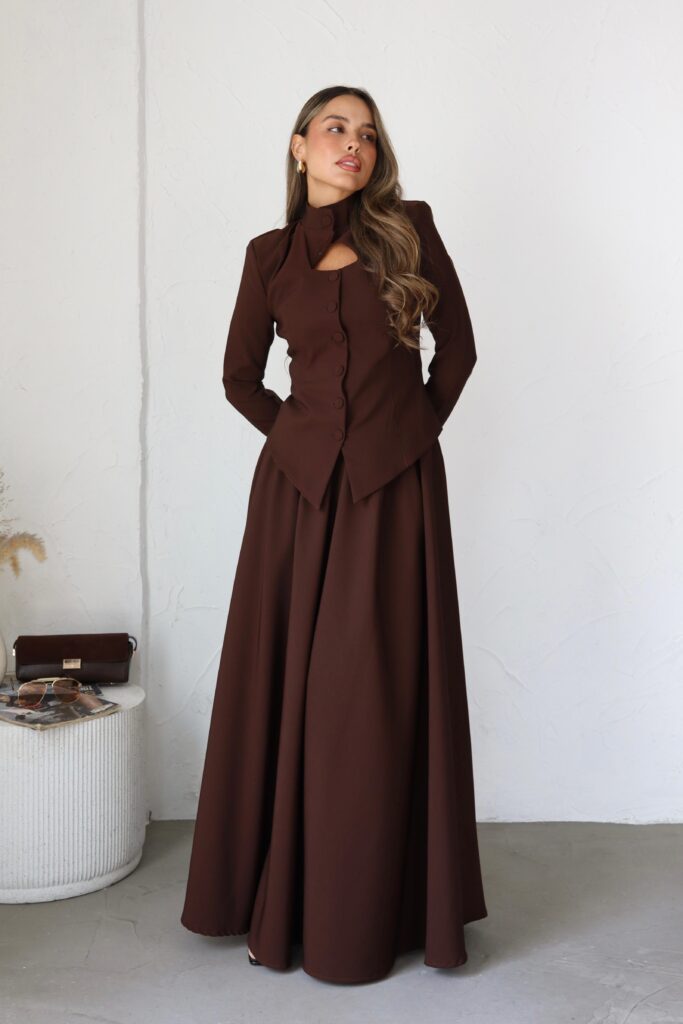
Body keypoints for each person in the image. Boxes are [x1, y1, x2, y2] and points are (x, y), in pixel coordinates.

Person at [180, 84, 487, 985]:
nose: (353, 145)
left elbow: (459, 349)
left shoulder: (410, 230)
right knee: (290, 690)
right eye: (334, 129)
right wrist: (302, 440)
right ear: (299, 146)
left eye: (367, 134)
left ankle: (384, 907)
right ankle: (277, 897)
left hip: (396, 497)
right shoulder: (267, 256)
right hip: (296, 500)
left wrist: (409, 434)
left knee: (374, 694)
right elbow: (239, 378)